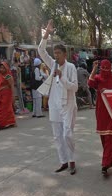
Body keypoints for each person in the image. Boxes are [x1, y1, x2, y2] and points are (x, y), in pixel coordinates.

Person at [38, 20, 78, 175]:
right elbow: (41, 51)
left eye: (58, 53)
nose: (55, 56)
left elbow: (74, 87)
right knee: (57, 136)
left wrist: (62, 77)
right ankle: (63, 161)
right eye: (54, 53)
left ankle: (72, 160)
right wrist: (46, 34)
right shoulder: (52, 64)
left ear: (65, 54)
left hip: (68, 105)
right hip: (54, 105)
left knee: (67, 133)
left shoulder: (71, 67)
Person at [88, 60, 112, 175]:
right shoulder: (97, 77)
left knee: (109, 138)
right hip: (101, 111)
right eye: (103, 68)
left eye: (107, 68)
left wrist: (109, 92)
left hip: (111, 112)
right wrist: (94, 68)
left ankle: (105, 164)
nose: (105, 70)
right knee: (103, 138)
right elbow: (90, 83)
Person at [0, 62, 16, 131]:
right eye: (1, 68)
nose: (2, 69)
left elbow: (11, 85)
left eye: (3, 68)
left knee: (4, 108)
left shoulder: (7, 75)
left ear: (6, 68)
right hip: (1, 94)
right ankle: (10, 122)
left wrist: (13, 96)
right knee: (3, 108)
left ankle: (1, 123)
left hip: (7, 94)